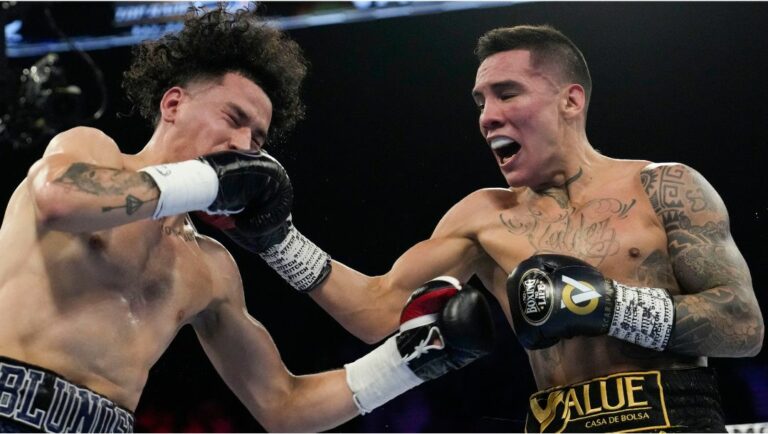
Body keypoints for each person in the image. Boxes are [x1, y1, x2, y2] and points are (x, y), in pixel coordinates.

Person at [206, 24, 765, 432]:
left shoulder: (666, 187)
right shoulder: (483, 215)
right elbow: (377, 310)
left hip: (675, 418)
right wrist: (276, 239)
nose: (486, 116)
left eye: (507, 93)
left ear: (571, 100)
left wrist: (609, 305)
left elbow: (742, 325)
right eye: (480, 101)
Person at [0, 6, 496, 433]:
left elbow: (283, 406)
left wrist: (408, 362)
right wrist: (207, 182)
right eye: (233, 118)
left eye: (257, 141)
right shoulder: (92, 150)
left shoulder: (209, 266)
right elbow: (58, 200)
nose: (242, 147)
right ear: (173, 104)